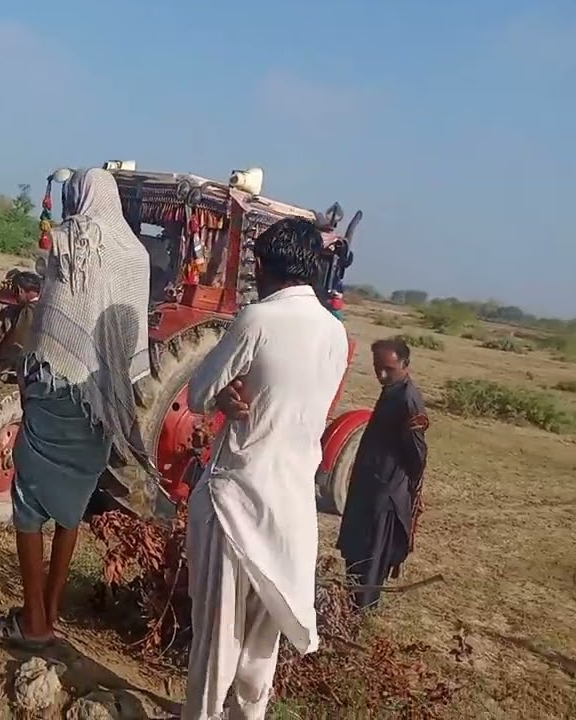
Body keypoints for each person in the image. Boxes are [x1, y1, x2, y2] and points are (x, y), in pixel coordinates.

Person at [0, 167, 151, 649]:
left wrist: (28, 381)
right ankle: (49, 612)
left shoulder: (72, 238)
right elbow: (131, 338)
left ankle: (32, 622)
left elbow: (52, 317)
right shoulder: (137, 255)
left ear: (79, 196)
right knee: (71, 508)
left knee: (29, 503)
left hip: (59, 389)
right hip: (102, 404)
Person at [182, 217, 350, 720]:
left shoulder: (257, 320)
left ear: (261, 265)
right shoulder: (335, 334)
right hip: (291, 507)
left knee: (216, 643)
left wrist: (226, 396)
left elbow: (196, 394)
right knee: (260, 648)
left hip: (238, 499)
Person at [337, 337, 429, 611]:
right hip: (369, 488)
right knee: (356, 551)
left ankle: (361, 614)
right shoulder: (391, 389)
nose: (382, 374)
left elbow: (417, 456)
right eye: (378, 368)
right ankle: (350, 608)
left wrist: (403, 491)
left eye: (389, 368)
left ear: (405, 365)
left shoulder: (408, 400)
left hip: (385, 496)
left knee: (372, 558)